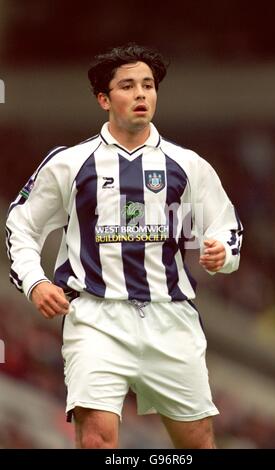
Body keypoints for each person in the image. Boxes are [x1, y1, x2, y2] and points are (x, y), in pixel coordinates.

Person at [6, 43, 243, 449]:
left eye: (148, 86)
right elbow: (20, 226)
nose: (141, 95)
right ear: (103, 98)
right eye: (128, 86)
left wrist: (223, 252)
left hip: (170, 318)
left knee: (197, 443)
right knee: (97, 439)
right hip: (96, 317)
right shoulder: (70, 163)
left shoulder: (188, 164)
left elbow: (227, 227)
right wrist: (35, 282)